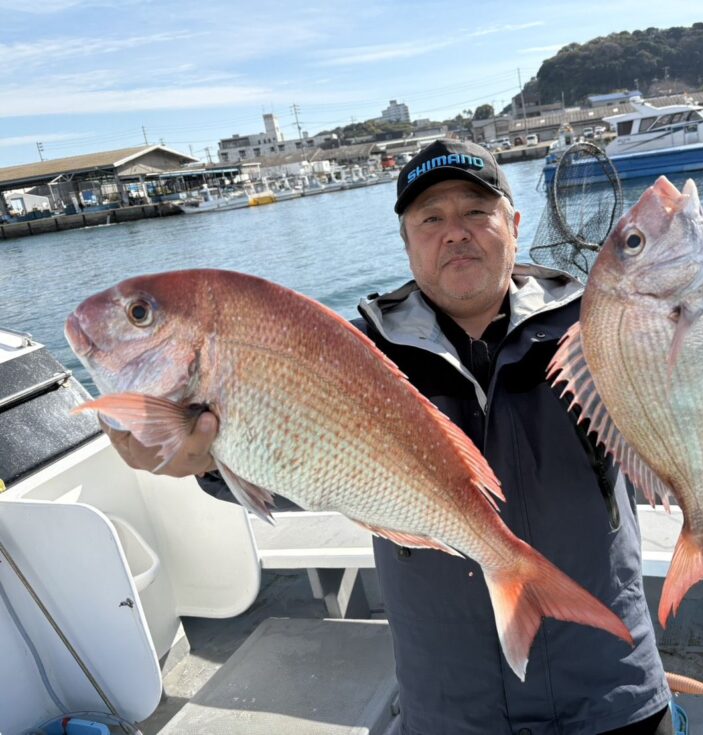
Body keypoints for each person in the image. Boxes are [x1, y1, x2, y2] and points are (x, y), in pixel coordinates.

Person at [103, 139, 673, 735]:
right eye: (430, 219)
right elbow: (299, 463)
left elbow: (691, 407)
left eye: (476, 211)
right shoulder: (352, 354)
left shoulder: (602, 321)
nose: (455, 233)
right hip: (450, 706)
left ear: (514, 224)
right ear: (405, 242)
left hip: (613, 684)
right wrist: (205, 460)